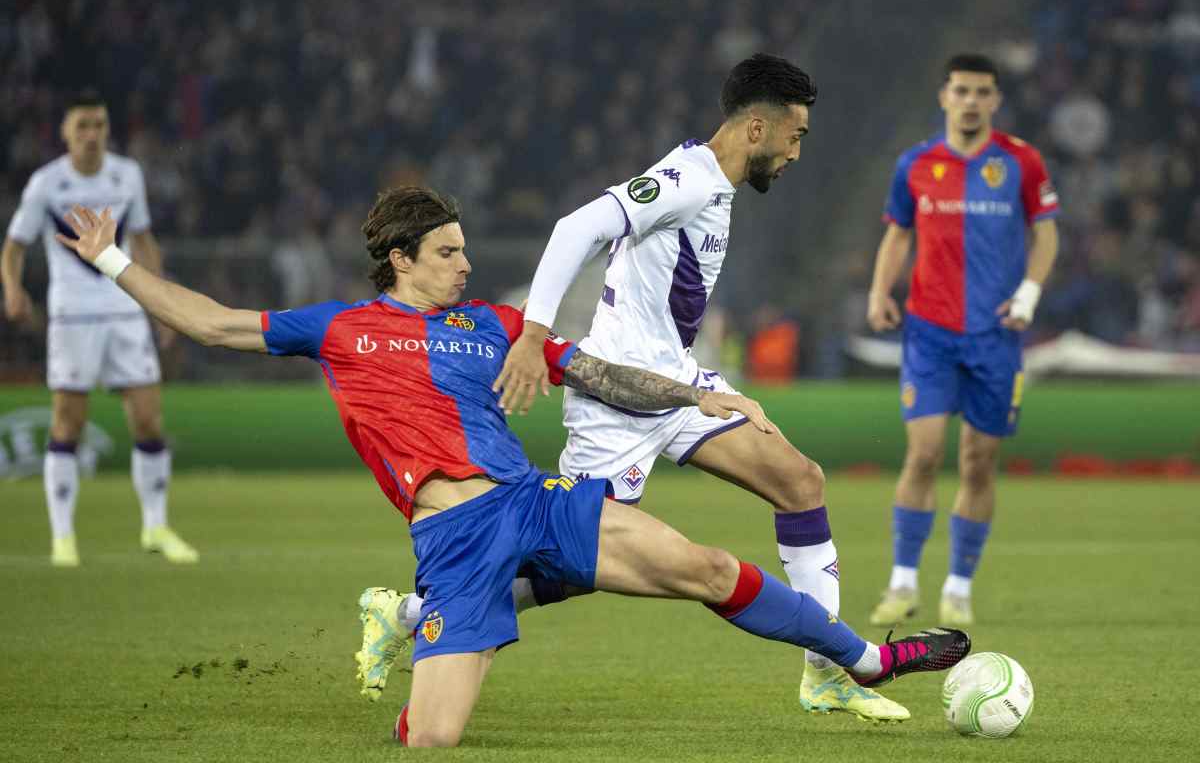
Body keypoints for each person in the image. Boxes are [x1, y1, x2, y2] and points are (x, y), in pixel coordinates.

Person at [57, 188, 970, 748]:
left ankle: (864, 661)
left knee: (704, 566)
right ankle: (415, 624)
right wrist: (111, 260)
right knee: (433, 738)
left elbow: (597, 373)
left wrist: (697, 395)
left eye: (464, 249)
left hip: (537, 504)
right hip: (454, 538)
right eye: (447, 253)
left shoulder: (493, 324)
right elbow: (211, 322)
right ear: (401, 260)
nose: (465, 264)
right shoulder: (339, 328)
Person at [391, 53, 909, 722]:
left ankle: (827, 672)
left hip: (679, 382)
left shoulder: (712, 185)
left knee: (800, 481)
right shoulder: (685, 180)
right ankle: (414, 613)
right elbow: (576, 228)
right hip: (620, 398)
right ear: (757, 129)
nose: (796, 153)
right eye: (795, 136)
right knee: (570, 565)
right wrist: (533, 334)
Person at [865, 54, 1060, 627]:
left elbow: (1046, 234)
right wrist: (879, 292)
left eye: (981, 92)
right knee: (923, 453)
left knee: (978, 462)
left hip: (996, 335)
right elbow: (898, 234)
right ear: (944, 96)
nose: (971, 101)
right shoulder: (915, 163)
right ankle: (902, 584)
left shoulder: (1021, 161)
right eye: (962, 91)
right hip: (930, 331)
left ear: (995, 100)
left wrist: (1028, 293)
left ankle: (958, 588)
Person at [1, 89, 196, 567]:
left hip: (125, 312)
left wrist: (162, 305)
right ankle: (63, 537)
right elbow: (14, 245)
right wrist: (12, 289)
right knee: (67, 423)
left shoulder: (127, 174)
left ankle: (156, 526)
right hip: (73, 317)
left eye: (99, 125)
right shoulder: (47, 183)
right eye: (83, 126)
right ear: (65, 132)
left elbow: (143, 240)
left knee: (149, 420)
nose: (92, 134)